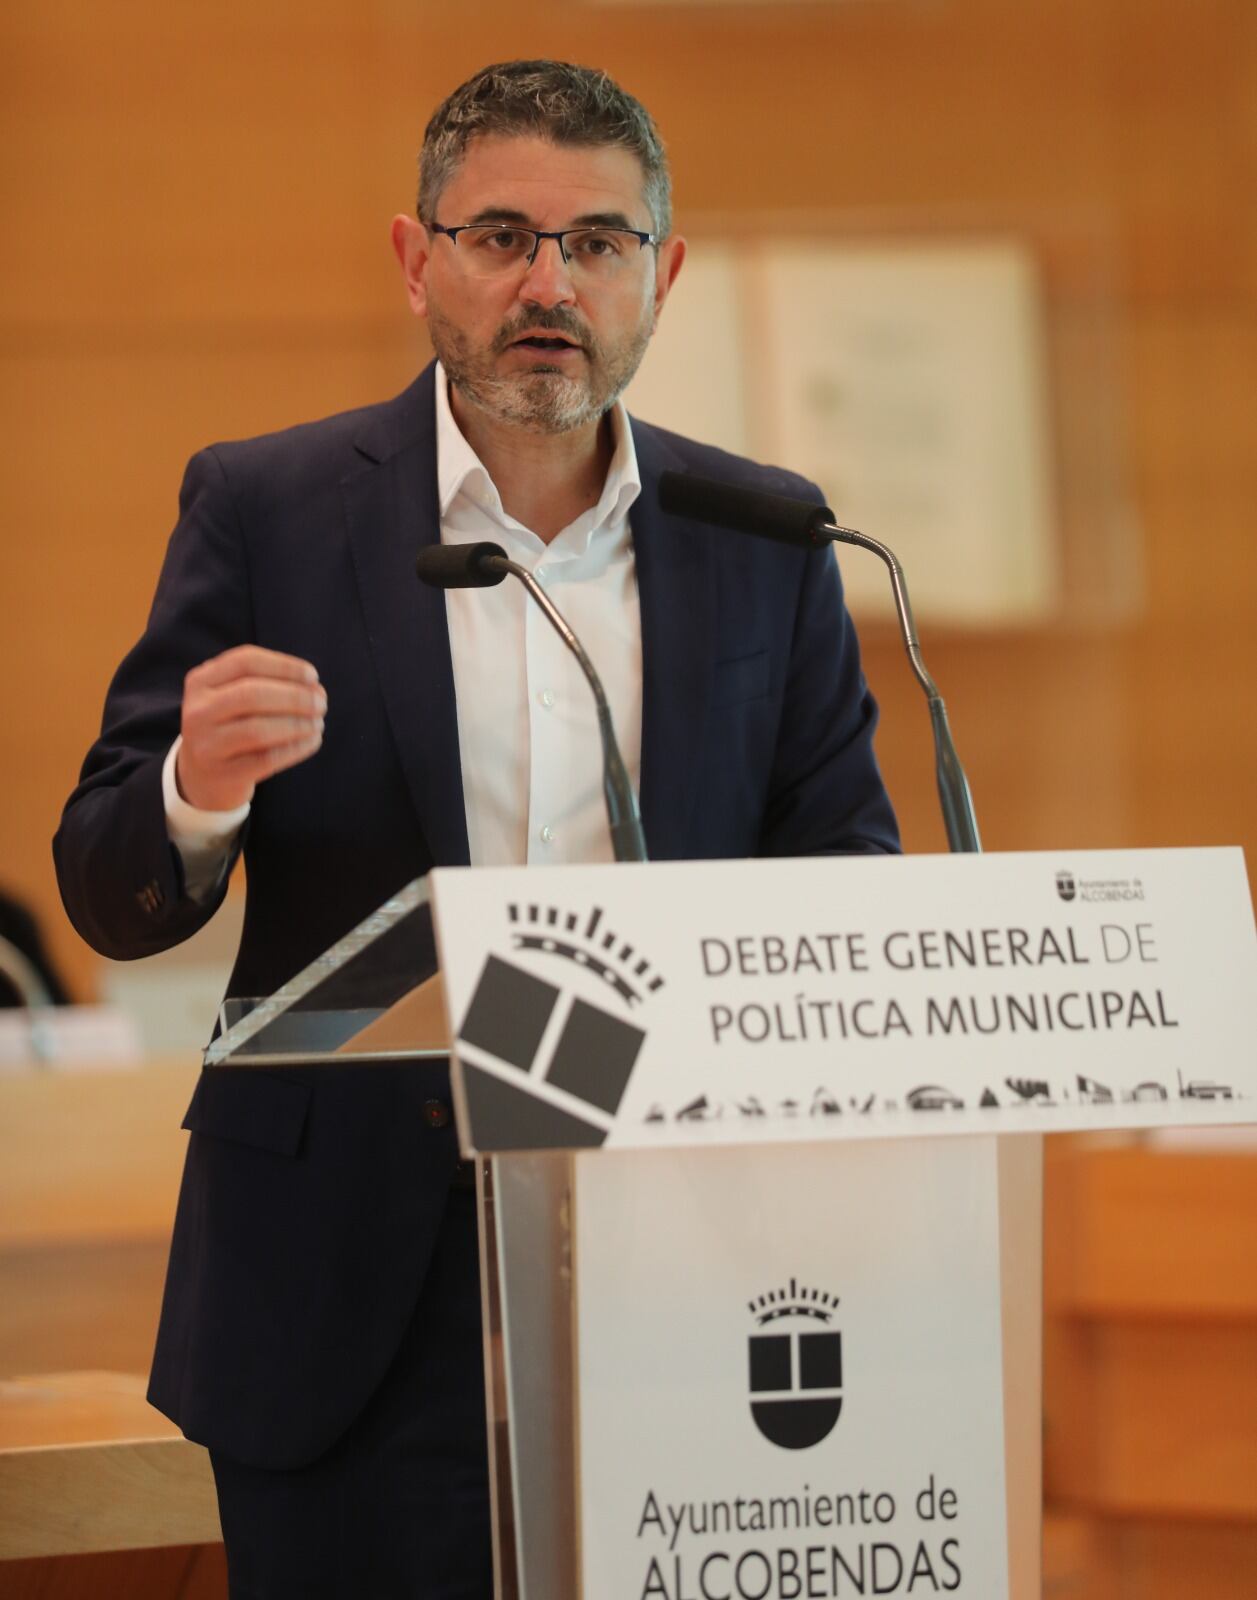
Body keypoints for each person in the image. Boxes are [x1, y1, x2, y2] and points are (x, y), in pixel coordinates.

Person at [54, 59, 898, 1599]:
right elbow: (109, 886)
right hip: (352, 1263)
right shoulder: (269, 507)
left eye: (597, 243)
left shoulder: (761, 532)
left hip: (684, 1256)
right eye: (501, 234)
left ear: (666, 271)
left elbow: (845, 872)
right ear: (413, 257)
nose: (549, 282)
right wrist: (198, 791)